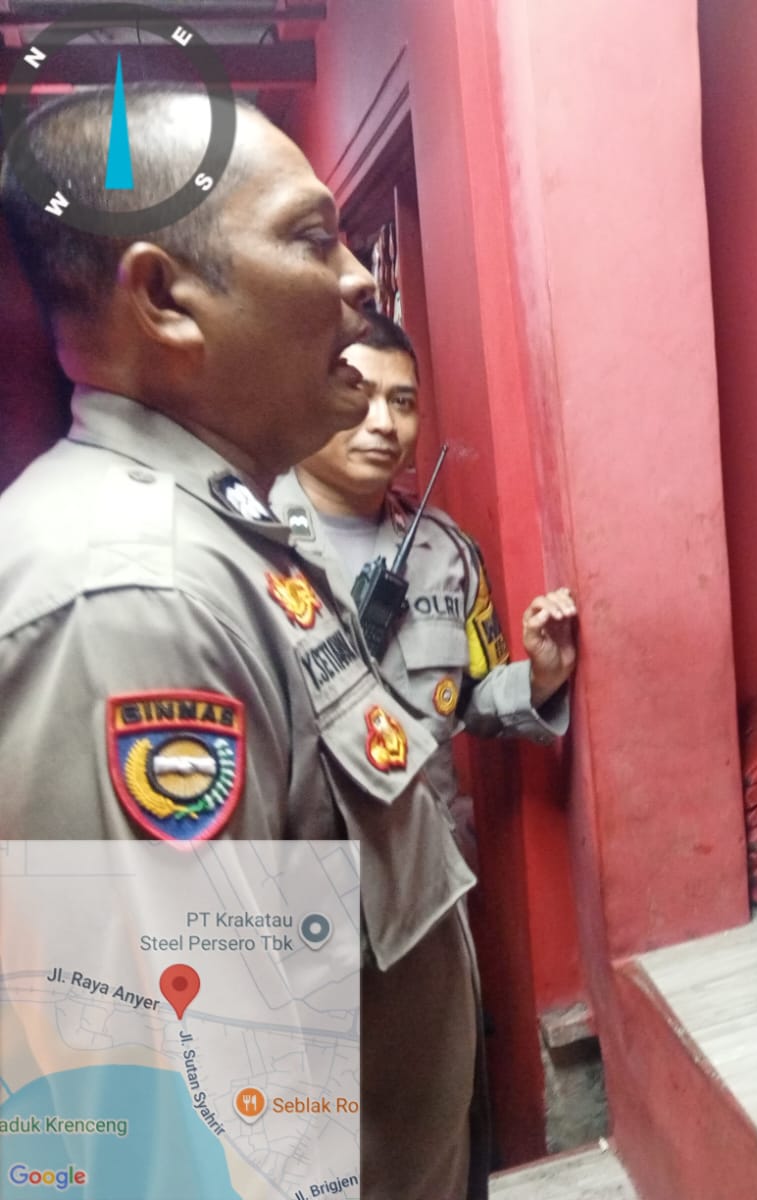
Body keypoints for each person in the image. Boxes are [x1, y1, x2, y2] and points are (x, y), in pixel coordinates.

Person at [0, 86, 477, 1199]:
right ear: (165, 298)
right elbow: (157, 1141)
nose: (359, 280)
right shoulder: (132, 598)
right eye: (311, 238)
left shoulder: (230, 537)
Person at [270, 312, 577, 863]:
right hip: (302, 869)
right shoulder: (246, 539)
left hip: (428, 862)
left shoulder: (448, 553)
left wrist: (539, 678)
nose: (384, 423)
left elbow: (474, 697)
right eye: (358, 395)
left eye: (403, 402)